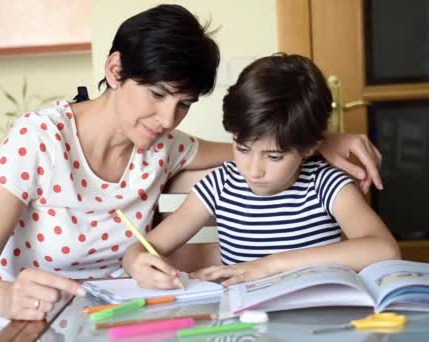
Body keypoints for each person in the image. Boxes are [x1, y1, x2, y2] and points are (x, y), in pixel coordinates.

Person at [0, 5, 383, 340]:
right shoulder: (39, 139)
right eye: (158, 94)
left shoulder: (162, 148)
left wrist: (322, 141)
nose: (167, 118)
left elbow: (254, 146)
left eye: (183, 104)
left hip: (91, 327)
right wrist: (4, 300)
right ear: (116, 69)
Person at [122, 53, 400, 290]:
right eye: (242, 149)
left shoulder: (326, 185)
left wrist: (269, 266)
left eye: (274, 156)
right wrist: (136, 260)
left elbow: (385, 250)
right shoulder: (220, 186)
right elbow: (143, 249)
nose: (253, 170)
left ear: (310, 147)